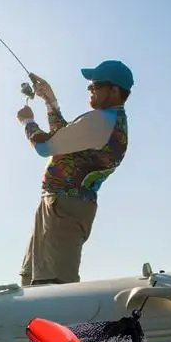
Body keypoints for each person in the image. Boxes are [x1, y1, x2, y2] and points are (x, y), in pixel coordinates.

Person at [16, 59, 133, 287]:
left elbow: (46, 146)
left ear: (114, 90)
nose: (89, 89)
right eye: (89, 86)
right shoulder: (106, 121)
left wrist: (27, 121)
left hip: (64, 209)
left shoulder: (101, 121)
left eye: (95, 85)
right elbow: (64, 138)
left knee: (51, 285)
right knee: (32, 281)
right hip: (59, 205)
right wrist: (50, 102)